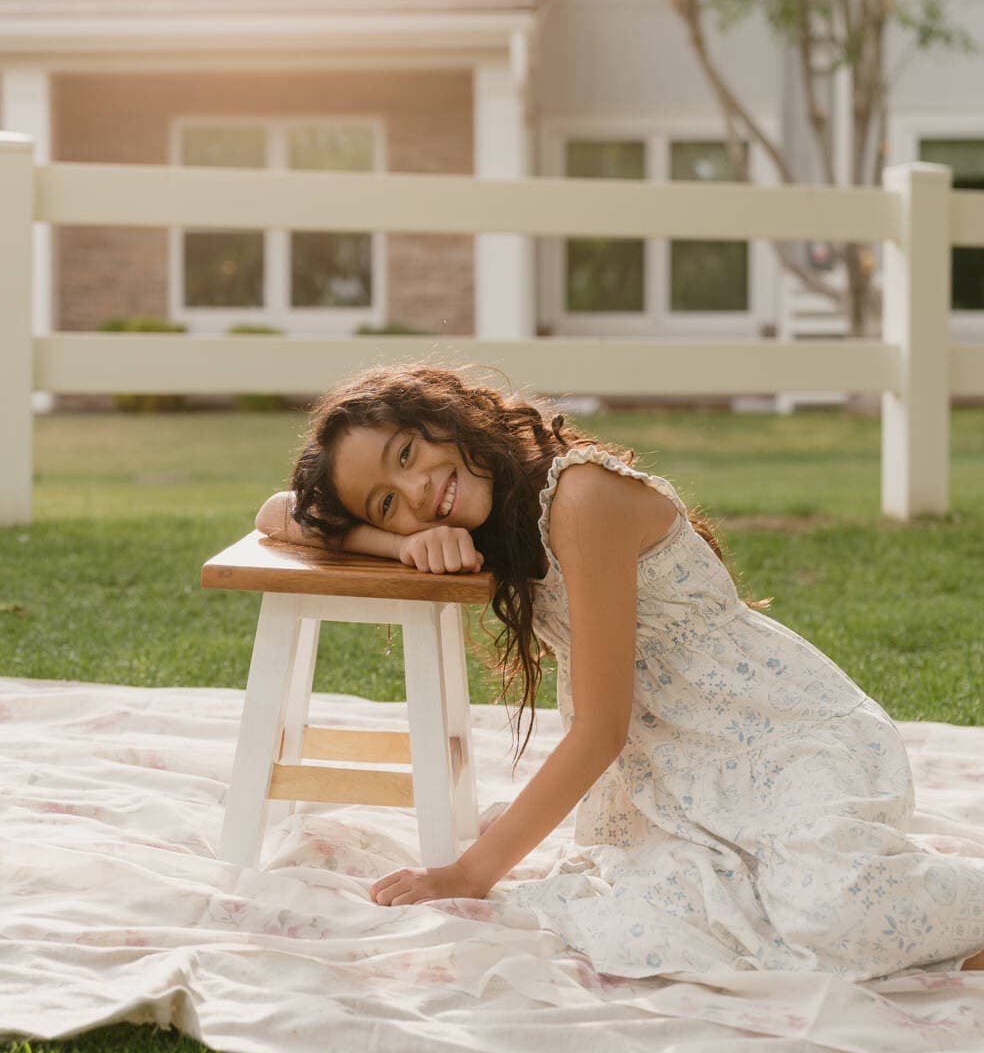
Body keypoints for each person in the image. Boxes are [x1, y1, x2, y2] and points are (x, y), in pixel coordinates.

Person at [255, 361, 984, 981]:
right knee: (680, 916)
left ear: (447, 416)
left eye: (409, 452)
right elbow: (278, 513)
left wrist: (471, 874)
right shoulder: (487, 518)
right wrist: (399, 544)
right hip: (676, 768)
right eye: (388, 498)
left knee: (832, 915)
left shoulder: (580, 497)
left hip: (783, 734)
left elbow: (599, 731)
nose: (415, 492)